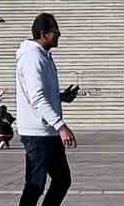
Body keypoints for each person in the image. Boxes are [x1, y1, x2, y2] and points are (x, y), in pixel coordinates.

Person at [16, 12, 78, 206]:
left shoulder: (44, 56)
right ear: (43, 34)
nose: (59, 34)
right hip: (37, 133)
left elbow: (40, 93)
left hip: (47, 132)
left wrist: (60, 96)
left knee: (61, 180)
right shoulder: (32, 58)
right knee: (35, 185)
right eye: (55, 31)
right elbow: (36, 98)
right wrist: (61, 126)